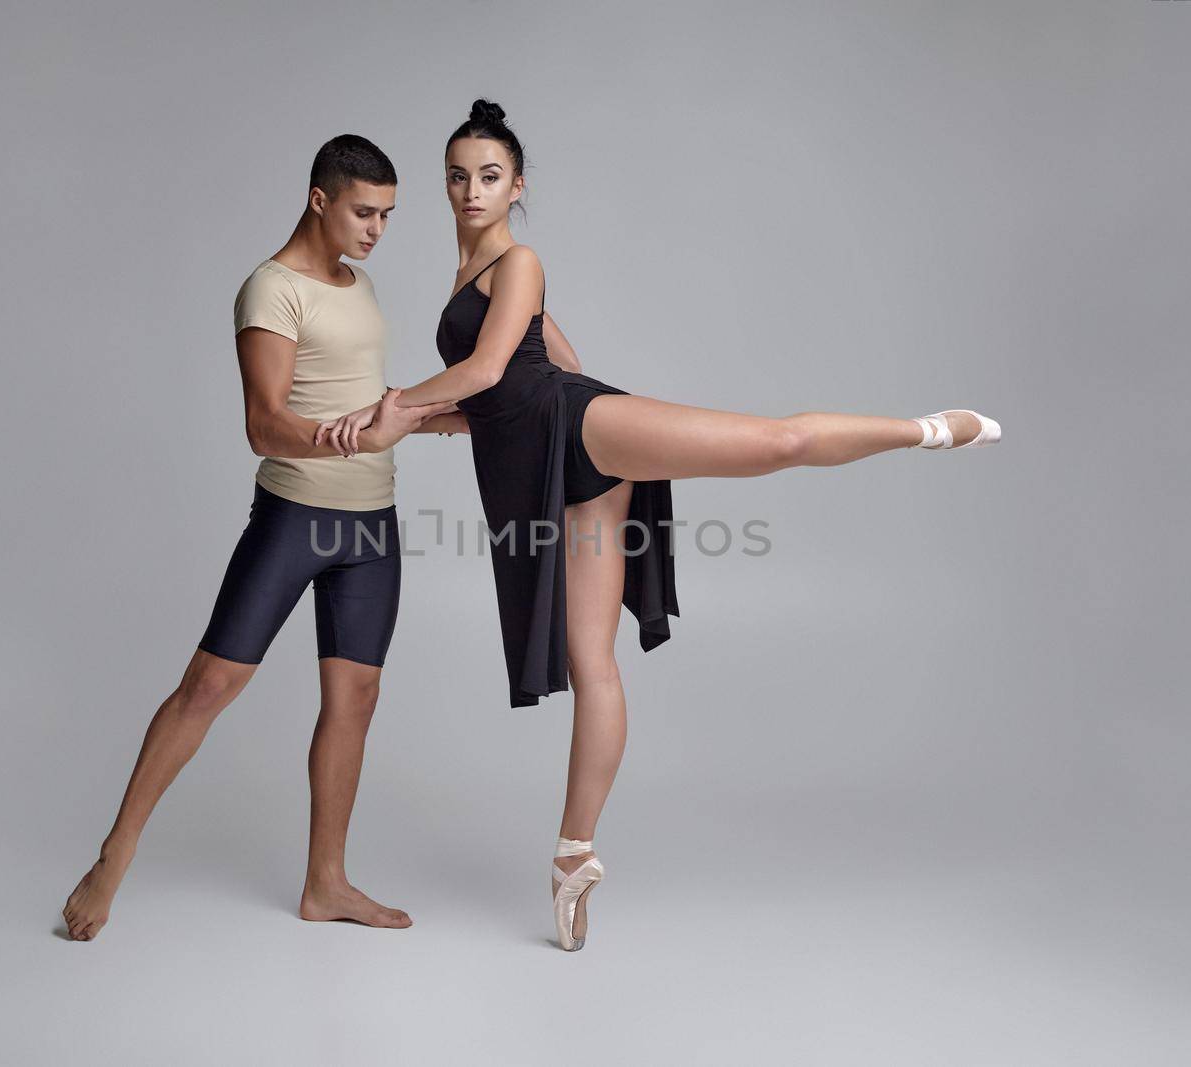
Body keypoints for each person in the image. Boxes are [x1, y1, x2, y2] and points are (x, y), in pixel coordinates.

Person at [313, 101, 1002, 952]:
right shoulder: (470, 276)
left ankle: (928, 428)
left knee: (774, 442)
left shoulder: (518, 259)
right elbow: (515, 385)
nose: (470, 191)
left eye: (489, 176)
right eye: (457, 176)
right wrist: (417, 423)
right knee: (588, 659)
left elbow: (495, 370)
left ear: (517, 185)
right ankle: (574, 856)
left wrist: (399, 403)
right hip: (553, 460)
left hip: (585, 430)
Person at [61, 135, 463, 942]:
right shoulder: (270, 290)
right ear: (320, 199)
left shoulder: (364, 285)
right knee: (209, 686)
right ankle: (115, 853)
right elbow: (265, 423)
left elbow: (366, 402)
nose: (377, 228)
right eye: (364, 211)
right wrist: (357, 435)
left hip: (372, 527)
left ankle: (326, 883)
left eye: (388, 214)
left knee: (357, 700)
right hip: (294, 519)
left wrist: (439, 418)